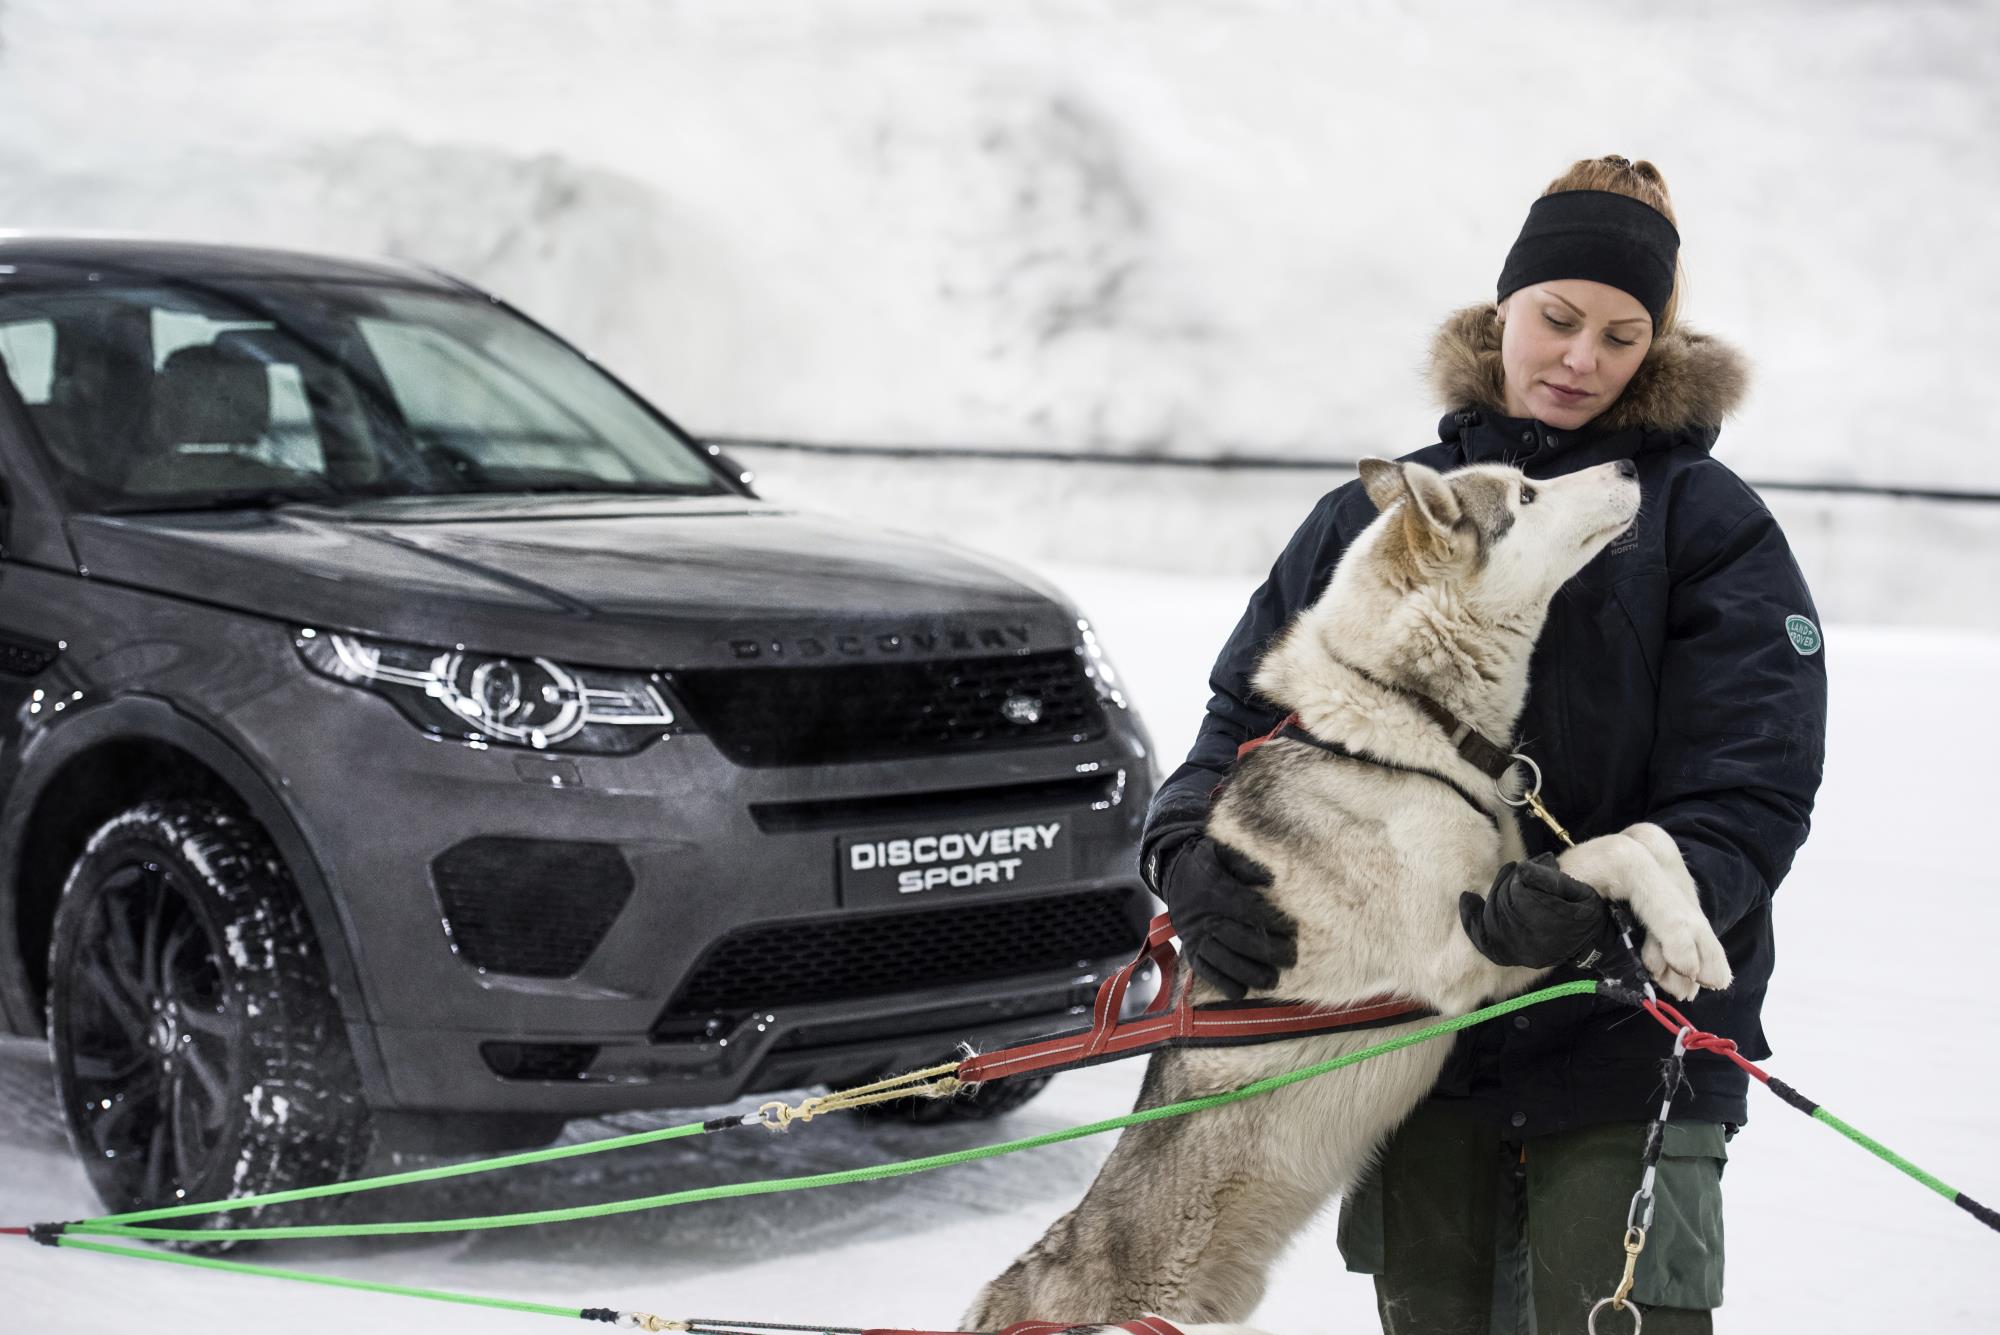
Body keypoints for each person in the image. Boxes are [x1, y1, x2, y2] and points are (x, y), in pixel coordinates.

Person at [1139, 155, 1828, 1333]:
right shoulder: (1376, 519)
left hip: (1625, 1042)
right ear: (1498, 310)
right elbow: (1241, 721)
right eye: (1555, 320)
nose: (1577, 360)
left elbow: (1750, 783)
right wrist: (1183, 851)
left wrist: (1606, 906)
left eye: (1619, 336)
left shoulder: (1704, 526)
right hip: (1410, 1041)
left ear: (1653, 348)